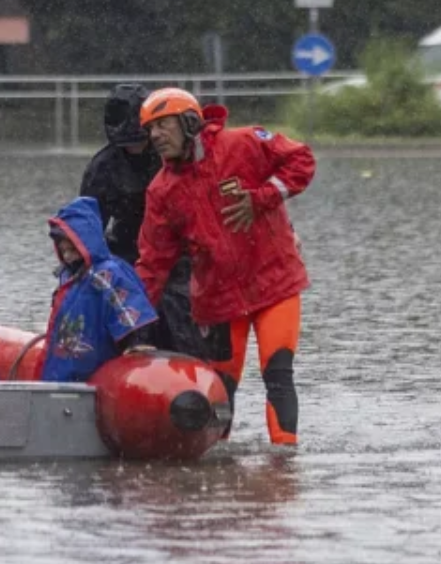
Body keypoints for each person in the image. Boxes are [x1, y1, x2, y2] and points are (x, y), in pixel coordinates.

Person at [135, 88, 316, 446]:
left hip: (274, 285)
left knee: (277, 374)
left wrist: (261, 198)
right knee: (221, 386)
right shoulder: (161, 191)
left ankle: (284, 464)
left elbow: (302, 160)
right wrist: (131, 324)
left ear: (190, 122)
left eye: (162, 125)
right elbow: (152, 264)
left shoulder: (244, 143)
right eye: (149, 129)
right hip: (218, 300)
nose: (155, 135)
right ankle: (217, 461)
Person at [40, 197, 158, 383]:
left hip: (98, 361)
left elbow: (130, 310)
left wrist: (137, 342)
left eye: (73, 250)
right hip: (69, 358)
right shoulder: (70, 276)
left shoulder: (108, 274)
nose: (68, 257)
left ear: (87, 243)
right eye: (64, 251)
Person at [78, 84, 160, 264]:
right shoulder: (102, 168)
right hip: (126, 250)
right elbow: (87, 228)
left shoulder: (172, 155)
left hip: (176, 249)